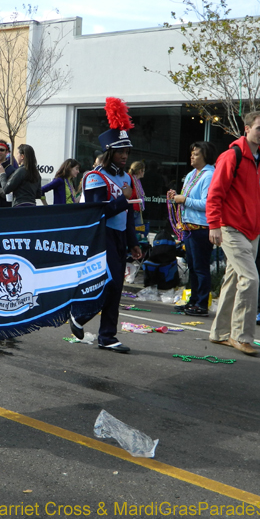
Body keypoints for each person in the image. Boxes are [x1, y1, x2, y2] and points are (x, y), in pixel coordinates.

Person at [206, 111, 260, 356]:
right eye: (259, 128)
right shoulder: (232, 156)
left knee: (232, 280)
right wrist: (214, 225)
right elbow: (215, 193)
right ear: (247, 128)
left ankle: (219, 333)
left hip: (252, 230)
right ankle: (241, 336)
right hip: (231, 227)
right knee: (250, 280)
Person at [69, 97, 143, 353]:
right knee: (109, 283)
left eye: (127, 152)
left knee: (117, 287)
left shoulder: (125, 177)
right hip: (102, 237)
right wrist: (123, 198)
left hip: (120, 235)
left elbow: (129, 212)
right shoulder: (94, 177)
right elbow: (97, 213)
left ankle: (108, 336)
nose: (124, 156)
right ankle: (80, 314)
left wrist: (134, 242)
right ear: (109, 151)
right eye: (120, 152)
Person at [168, 141, 217, 317]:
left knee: (201, 267)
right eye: (192, 153)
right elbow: (185, 197)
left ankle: (202, 303)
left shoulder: (209, 175)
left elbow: (207, 203)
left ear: (205, 155)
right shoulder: (191, 174)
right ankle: (194, 300)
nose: (192, 156)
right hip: (188, 227)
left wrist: (184, 200)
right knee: (193, 266)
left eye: (196, 154)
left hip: (201, 228)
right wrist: (177, 198)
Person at [0, 144, 42, 208]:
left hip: (19, 206)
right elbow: (38, 194)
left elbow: (6, 189)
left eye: (17, 154)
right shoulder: (36, 173)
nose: (16, 156)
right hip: (32, 206)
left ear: (22, 156)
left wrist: (2, 174)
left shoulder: (20, 171)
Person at [128, 161, 146, 235]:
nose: (144, 173)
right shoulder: (130, 179)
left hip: (138, 210)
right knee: (133, 232)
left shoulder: (138, 181)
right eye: (143, 171)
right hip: (132, 209)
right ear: (140, 171)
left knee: (139, 232)